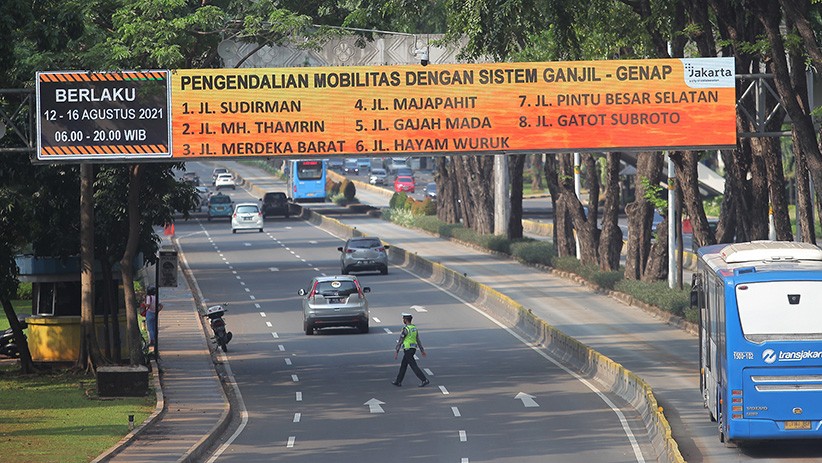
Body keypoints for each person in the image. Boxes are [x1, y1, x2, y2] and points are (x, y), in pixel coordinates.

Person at [392, 313, 429, 387]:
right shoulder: (414, 328)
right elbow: (418, 340)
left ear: (405, 320)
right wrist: (422, 350)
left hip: (407, 349)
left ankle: (424, 379)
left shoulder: (406, 329)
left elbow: (400, 340)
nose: (403, 320)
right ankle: (398, 381)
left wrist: (397, 351)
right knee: (403, 365)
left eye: (403, 319)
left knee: (413, 365)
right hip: (413, 349)